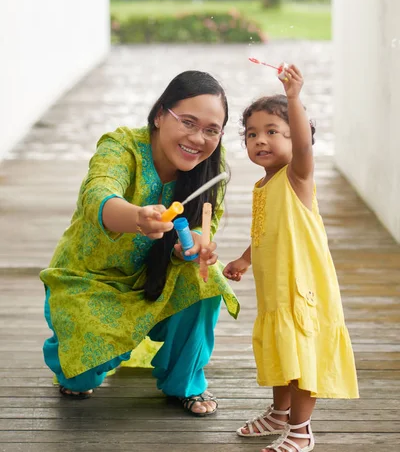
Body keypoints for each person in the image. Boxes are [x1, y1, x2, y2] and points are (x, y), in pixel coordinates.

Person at [40, 70, 239, 416]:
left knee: (206, 275)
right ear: (161, 114)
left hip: (155, 281)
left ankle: (185, 382)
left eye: (211, 130)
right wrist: (137, 218)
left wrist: (193, 245)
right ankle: (70, 349)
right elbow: (97, 195)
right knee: (79, 380)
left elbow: (205, 226)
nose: (198, 139)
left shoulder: (209, 170)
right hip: (90, 281)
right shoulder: (121, 146)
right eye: (188, 122)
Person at [223, 65, 358, 451]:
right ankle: (279, 413)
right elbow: (267, 230)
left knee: (300, 353)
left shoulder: (297, 176)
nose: (260, 141)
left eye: (272, 132)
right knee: (282, 350)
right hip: (276, 289)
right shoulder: (263, 185)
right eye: (252, 134)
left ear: (295, 137)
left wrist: (294, 98)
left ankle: (300, 430)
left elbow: (302, 146)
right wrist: (246, 259)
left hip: (303, 288)